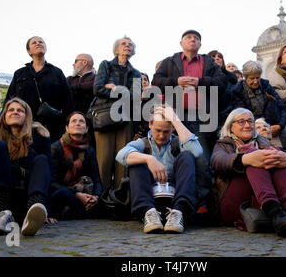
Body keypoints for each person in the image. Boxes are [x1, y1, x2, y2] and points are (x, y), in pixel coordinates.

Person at [210, 108, 286, 237]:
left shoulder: (263, 141)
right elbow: (217, 161)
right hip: (234, 202)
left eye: (250, 121)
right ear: (231, 126)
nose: (247, 125)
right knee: (256, 155)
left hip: (258, 200)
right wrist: (247, 158)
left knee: (276, 155)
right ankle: (274, 211)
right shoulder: (224, 144)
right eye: (241, 121)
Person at [152, 30, 226, 213]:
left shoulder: (208, 62)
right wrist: (176, 80)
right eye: (188, 38)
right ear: (181, 43)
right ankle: (169, 202)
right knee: (173, 156)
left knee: (201, 159)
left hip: (201, 118)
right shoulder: (170, 61)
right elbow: (156, 81)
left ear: (200, 44)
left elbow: (222, 83)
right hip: (174, 117)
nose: (193, 40)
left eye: (196, 38)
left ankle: (201, 205)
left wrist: (200, 82)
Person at [116, 105, 202, 233]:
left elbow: (197, 152)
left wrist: (175, 119)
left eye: (166, 131)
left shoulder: (178, 142)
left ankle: (179, 213)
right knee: (136, 159)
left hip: (174, 201)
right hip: (149, 199)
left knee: (187, 155)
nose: (161, 136)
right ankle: (148, 213)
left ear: (172, 128)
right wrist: (149, 159)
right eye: (158, 130)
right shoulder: (143, 143)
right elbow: (121, 155)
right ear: (150, 125)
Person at [0, 98, 52, 236]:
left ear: (26, 116)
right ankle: (4, 214)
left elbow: (46, 173)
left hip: (24, 198)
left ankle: (34, 210)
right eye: (11, 110)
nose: (15, 112)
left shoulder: (39, 136)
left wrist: (47, 209)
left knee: (42, 159)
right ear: (4, 115)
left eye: (20, 110)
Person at [92, 36, 142, 191]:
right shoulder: (105, 65)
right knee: (104, 160)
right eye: (123, 44)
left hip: (126, 119)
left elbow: (134, 97)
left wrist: (115, 89)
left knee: (123, 161)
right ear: (117, 49)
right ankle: (101, 199)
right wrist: (121, 92)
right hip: (105, 116)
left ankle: (119, 199)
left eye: (130, 44)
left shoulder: (136, 73)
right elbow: (98, 89)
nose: (127, 46)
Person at [6, 36, 74, 143]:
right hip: (24, 127)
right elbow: (9, 100)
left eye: (41, 42)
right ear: (29, 51)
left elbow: (68, 101)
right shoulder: (20, 73)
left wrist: (67, 123)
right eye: (34, 43)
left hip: (53, 128)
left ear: (45, 49)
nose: (38, 43)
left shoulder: (57, 72)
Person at [50, 111, 102, 220]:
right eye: (73, 121)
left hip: (83, 191)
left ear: (86, 129)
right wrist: (77, 194)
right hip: (61, 192)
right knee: (62, 194)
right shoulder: (56, 148)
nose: (77, 123)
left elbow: (96, 178)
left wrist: (96, 197)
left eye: (81, 121)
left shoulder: (89, 150)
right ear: (67, 128)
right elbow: (52, 182)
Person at [232, 60, 286, 147]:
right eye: (252, 78)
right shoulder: (237, 92)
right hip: (250, 134)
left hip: (271, 132)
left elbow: (282, 107)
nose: (255, 81)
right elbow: (241, 116)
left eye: (258, 78)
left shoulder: (266, 86)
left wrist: (280, 125)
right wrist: (259, 127)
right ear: (245, 77)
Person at [208, 50, 238, 127]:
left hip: (230, 115)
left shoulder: (232, 78)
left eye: (220, 57)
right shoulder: (204, 78)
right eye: (213, 56)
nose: (217, 58)